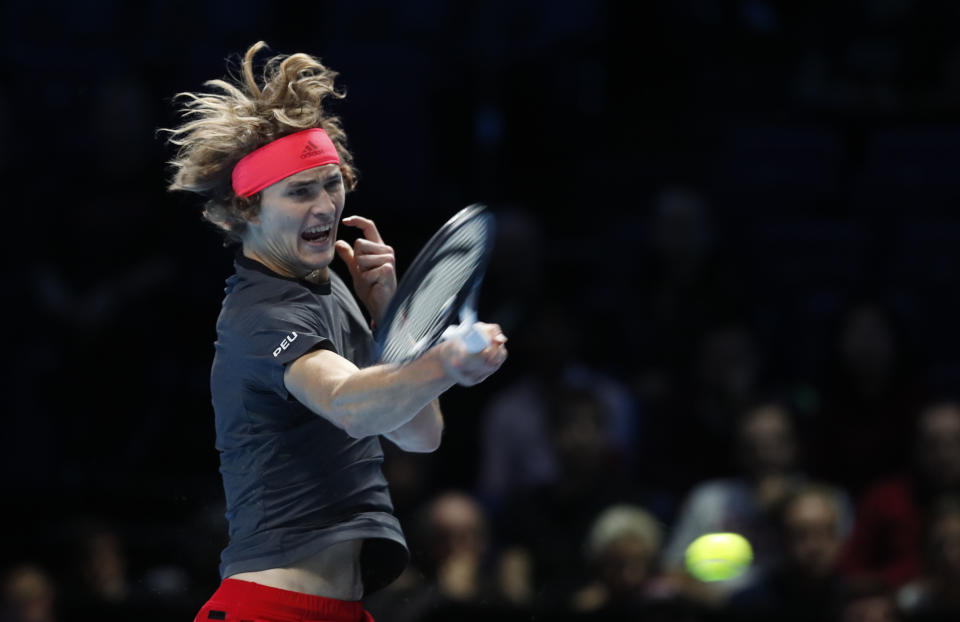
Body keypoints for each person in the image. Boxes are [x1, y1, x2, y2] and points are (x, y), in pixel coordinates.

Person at [164, 42, 508, 622]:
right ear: (248, 209)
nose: (324, 205)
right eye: (300, 192)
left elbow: (420, 434)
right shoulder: (262, 312)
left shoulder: (328, 284)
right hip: (268, 610)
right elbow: (350, 406)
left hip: (342, 610)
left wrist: (394, 321)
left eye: (332, 183)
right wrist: (444, 364)